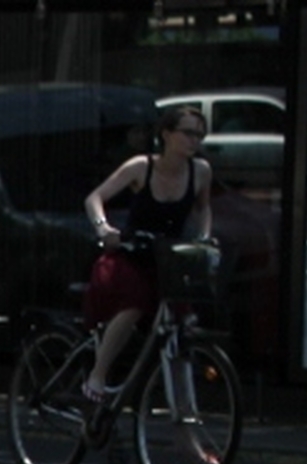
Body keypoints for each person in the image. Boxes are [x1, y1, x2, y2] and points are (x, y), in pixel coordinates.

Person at [80, 105, 214, 402]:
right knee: (134, 303)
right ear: (166, 134)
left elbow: (203, 207)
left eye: (199, 135)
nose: (194, 140)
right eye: (188, 133)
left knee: (182, 323)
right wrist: (103, 229)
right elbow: (95, 198)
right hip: (131, 255)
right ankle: (98, 375)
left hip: (168, 259)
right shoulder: (141, 166)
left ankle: (184, 421)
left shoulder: (201, 171)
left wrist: (204, 238)